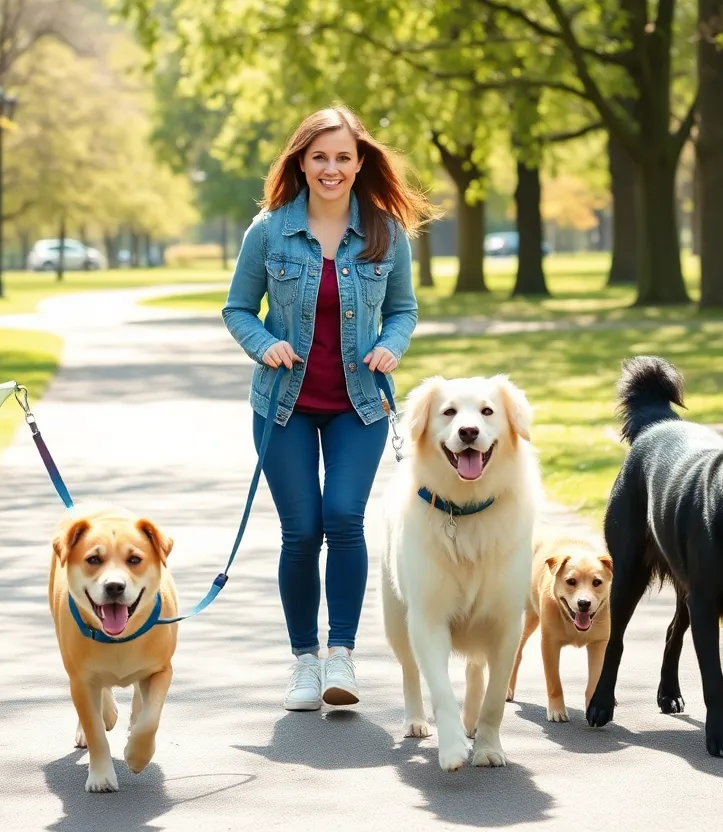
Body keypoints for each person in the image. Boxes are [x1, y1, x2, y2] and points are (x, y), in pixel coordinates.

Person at [222, 105, 434, 711]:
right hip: (282, 406)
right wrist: (266, 345)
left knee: (343, 518)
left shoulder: (384, 233)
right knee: (301, 530)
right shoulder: (267, 231)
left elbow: (404, 310)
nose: (332, 168)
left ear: (359, 162)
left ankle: (341, 655)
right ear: (302, 162)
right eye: (320, 157)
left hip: (358, 404)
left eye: (343, 157)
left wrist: (392, 346)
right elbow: (238, 309)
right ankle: (303, 663)